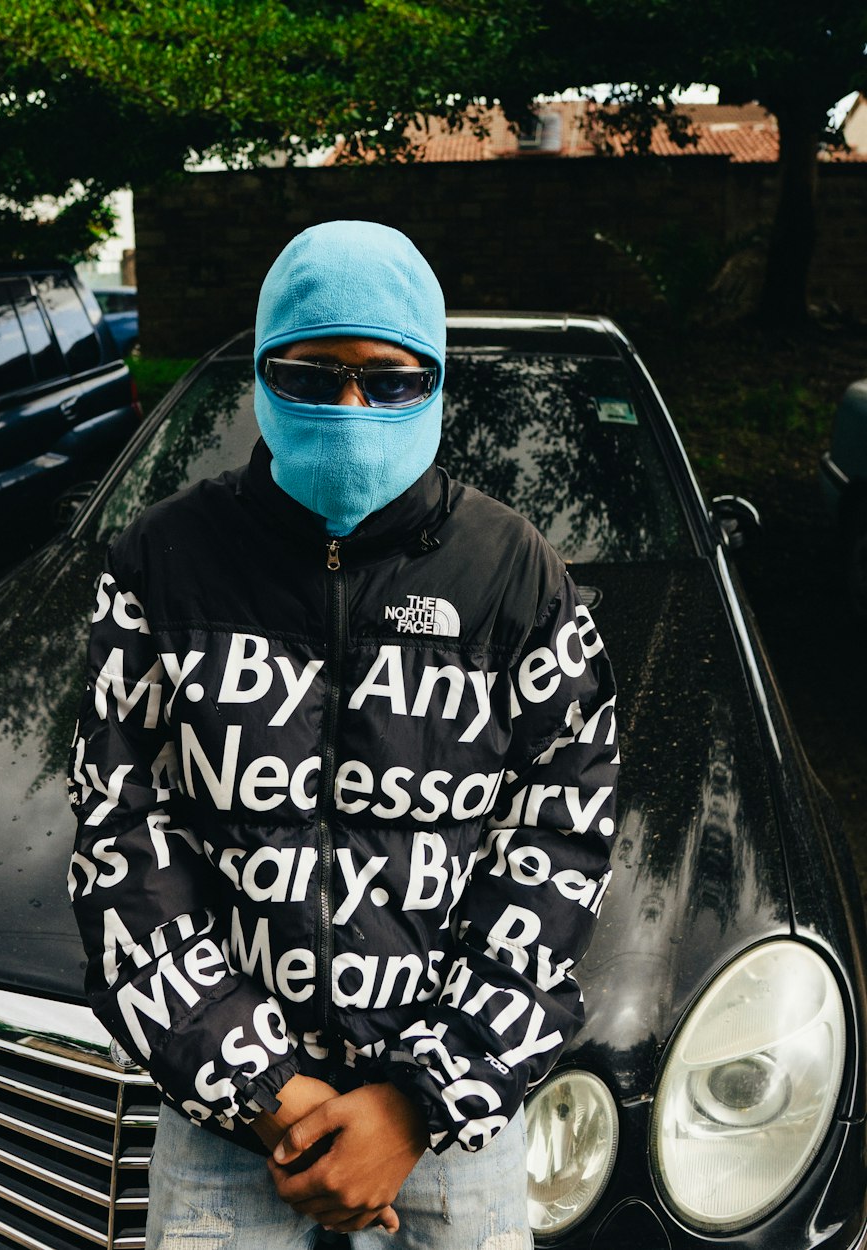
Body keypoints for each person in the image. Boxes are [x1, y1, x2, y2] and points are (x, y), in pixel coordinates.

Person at [68, 220, 618, 1249]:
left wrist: (415, 1098)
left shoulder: (514, 574)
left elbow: (557, 849)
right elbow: (124, 844)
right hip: (228, 1121)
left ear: (437, 381)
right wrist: (263, 1085)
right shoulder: (161, 561)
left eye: (390, 379)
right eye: (312, 375)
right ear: (262, 374)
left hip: (447, 1124)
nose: (351, 408)